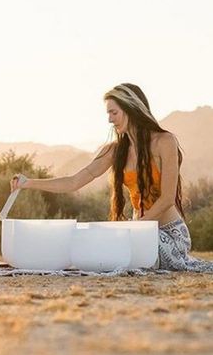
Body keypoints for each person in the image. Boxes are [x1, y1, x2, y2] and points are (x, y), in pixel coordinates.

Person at [11, 83, 213, 271]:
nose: (109, 119)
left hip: (169, 234)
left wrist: (134, 227)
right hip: (136, 234)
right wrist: (28, 183)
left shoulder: (164, 141)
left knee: (126, 257)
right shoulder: (115, 151)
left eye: (114, 112)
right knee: (103, 252)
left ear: (131, 109)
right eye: (108, 113)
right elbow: (74, 181)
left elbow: (167, 199)